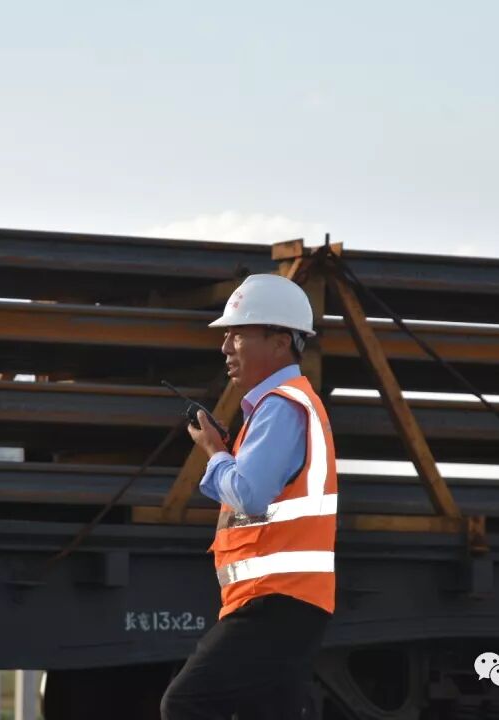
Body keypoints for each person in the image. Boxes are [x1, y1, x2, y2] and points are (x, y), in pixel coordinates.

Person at [161, 273, 338, 720]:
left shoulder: (279, 406)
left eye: (237, 335)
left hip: (273, 603)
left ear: (280, 342)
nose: (225, 348)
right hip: (287, 603)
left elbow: (250, 494)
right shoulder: (290, 404)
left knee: (185, 703)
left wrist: (214, 452)